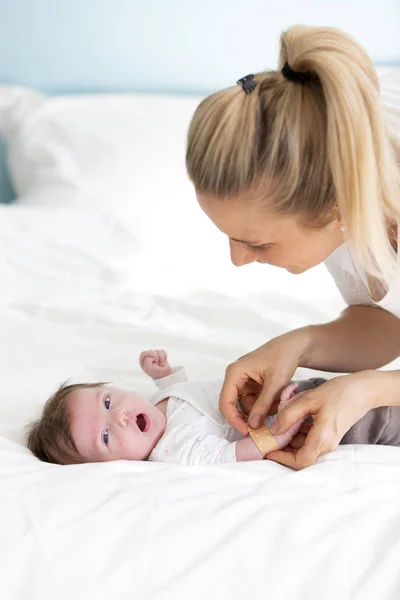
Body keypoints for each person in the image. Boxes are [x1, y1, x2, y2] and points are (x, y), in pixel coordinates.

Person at [185, 25, 400, 469]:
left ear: (338, 207)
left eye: (256, 243)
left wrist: (368, 388)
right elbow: (388, 317)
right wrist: (299, 345)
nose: (237, 260)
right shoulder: (339, 161)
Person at [26, 350, 399, 466]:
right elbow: (236, 452)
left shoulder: (152, 409)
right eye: (106, 435)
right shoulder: (175, 449)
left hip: (309, 395)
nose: (119, 415)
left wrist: (165, 376)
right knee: (383, 417)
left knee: (367, 384)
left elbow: (185, 397)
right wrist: (284, 426)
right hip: (313, 423)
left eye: (107, 401)